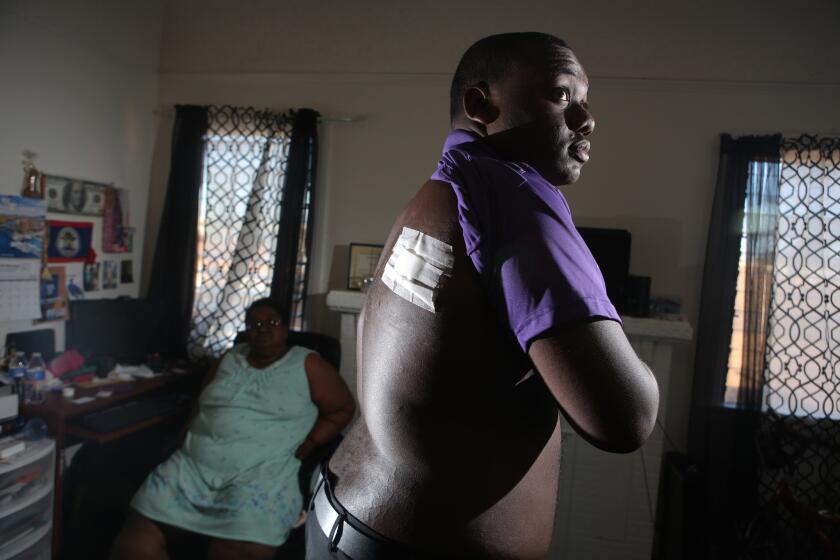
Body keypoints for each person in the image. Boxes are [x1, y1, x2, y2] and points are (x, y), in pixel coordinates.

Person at [305, 32, 660, 559]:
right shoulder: (516, 197)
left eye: (586, 102)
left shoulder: (441, 191)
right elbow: (624, 417)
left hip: (342, 517)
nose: (586, 119)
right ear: (480, 104)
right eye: (562, 95)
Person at [111, 298, 355, 560]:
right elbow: (202, 402)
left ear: (286, 328)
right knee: (135, 540)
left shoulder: (307, 364)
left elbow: (342, 408)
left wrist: (311, 443)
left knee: (236, 547)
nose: (262, 329)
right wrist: (186, 434)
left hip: (261, 475)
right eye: (254, 324)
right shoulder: (230, 357)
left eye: (271, 322)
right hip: (191, 468)